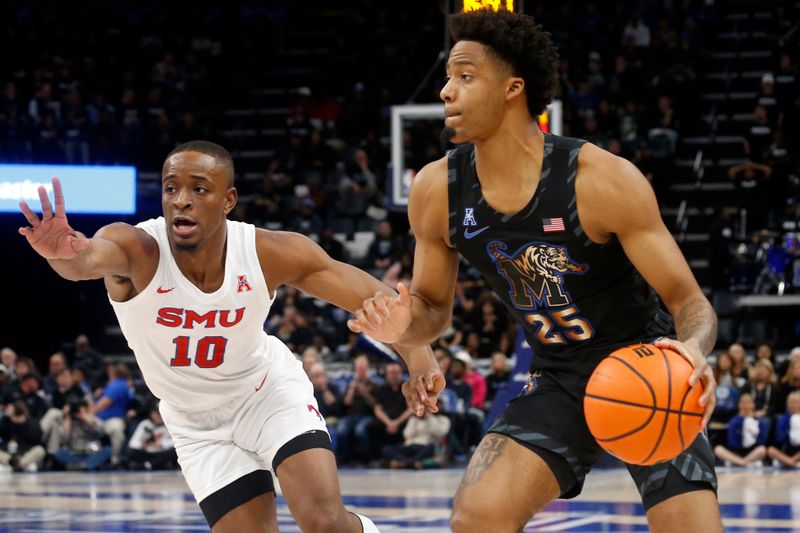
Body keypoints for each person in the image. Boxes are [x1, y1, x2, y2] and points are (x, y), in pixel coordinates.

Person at [348, 9, 722, 532]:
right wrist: (404, 329)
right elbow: (431, 311)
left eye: (465, 76)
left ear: (512, 88)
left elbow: (690, 304)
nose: (445, 92)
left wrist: (691, 351)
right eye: (448, 78)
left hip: (645, 368)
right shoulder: (437, 190)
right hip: (559, 379)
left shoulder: (600, 180)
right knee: (476, 518)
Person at [18, 140, 440, 532]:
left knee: (324, 523)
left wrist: (420, 359)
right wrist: (64, 255)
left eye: (200, 189)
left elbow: (382, 302)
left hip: (266, 394)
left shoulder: (265, 252)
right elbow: (86, 258)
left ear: (228, 200)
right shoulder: (136, 248)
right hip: (194, 421)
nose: (181, 199)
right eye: (171, 188)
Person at [713, 393, 769, 467]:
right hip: (736, 452)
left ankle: (739, 462)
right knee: (718, 449)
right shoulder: (734, 420)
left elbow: (762, 440)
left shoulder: (758, 421)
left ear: (753, 405)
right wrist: (741, 421)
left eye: (748, 403)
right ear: (739, 405)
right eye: (743, 403)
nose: (745, 405)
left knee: (762, 449)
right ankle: (743, 462)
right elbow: (731, 441)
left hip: (752, 451)